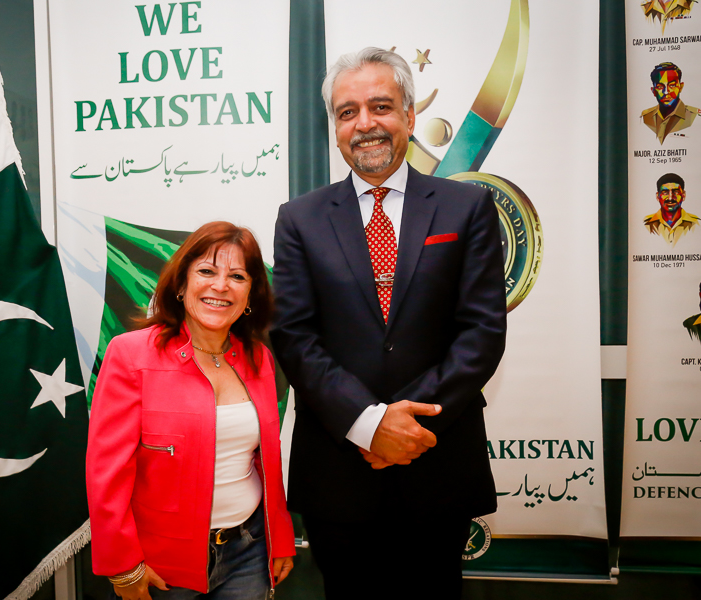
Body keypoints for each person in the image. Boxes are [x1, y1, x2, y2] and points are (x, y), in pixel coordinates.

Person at [270, 47, 507, 599]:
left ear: (409, 115)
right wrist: (369, 423)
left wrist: (405, 425)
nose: (365, 124)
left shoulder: (466, 207)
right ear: (335, 128)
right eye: (347, 112)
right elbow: (295, 336)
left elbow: (481, 333)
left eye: (380, 106)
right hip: (339, 471)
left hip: (437, 460)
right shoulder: (299, 219)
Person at [87, 222, 295, 600]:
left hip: (249, 552)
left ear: (250, 294)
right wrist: (123, 565)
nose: (221, 286)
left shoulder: (258, 358)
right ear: (181, 284)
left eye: (237, 276)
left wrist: (279, 537)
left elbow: (266, 459)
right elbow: (107, 473)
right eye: (206, 271)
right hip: (161, 563)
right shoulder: (130, 354)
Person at [642, 62, 699, 144]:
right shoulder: (645, 118)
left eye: (672, 85)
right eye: (660, 87)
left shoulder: (696, 117)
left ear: (680, 87)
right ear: (653, 91)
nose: (666, 92)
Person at [644, 172, 698, 246]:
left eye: (676, 192)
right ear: (657, 196)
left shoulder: (696, 224)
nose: (670, 198)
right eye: (665, 192)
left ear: (683, 195)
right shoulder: (646, 224)